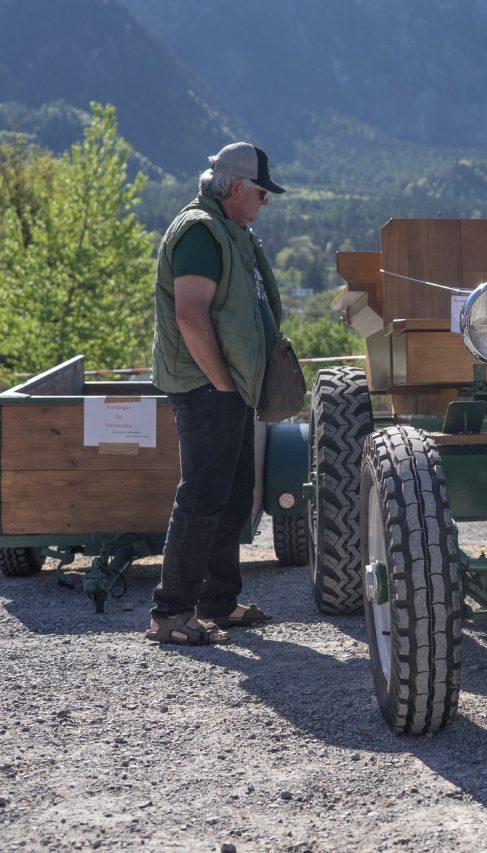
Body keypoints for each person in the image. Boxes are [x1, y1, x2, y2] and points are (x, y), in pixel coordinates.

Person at [146, 142, 285, 645]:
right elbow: (190, 315)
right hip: (207, 386)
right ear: (237, 188)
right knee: (202, 497)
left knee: (231, 497)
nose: (265, 201)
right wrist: (224, 383)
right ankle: (170, 614)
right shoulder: (200, 233)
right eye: (261, 193)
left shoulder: (228, 230)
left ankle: (218, 604)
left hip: (227, 387)